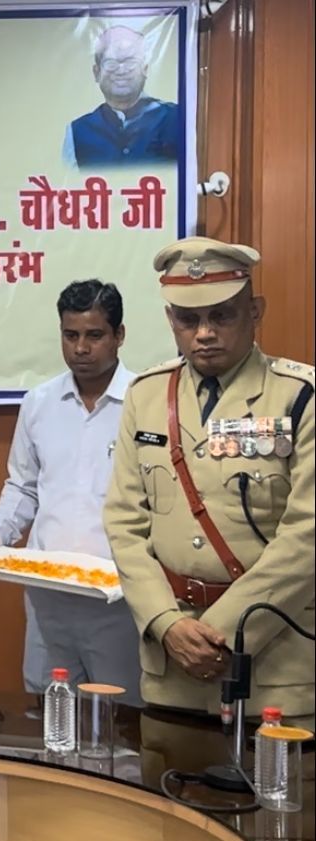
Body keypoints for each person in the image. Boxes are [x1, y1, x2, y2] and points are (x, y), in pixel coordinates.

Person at [104, 236, 314, 718]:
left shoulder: (299, 397)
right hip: (171, 665)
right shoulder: (147, 396)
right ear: (170, 320)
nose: (204, 333)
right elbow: (124, 523)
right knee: (167, 767)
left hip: (274, 667)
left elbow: (307, 536)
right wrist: (165, 623)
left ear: (254, 311)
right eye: (188, 318)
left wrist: (223, 633)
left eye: (222, 315)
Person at [0, 280, 141, 703]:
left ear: (119, 335)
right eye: (71, 335)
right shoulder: (40, 402)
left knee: (120, 713)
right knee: (48, 709)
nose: (81, 348)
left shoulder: (146, 403)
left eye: (94, 335)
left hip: (119, 599)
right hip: (48, 595)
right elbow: (23, 485)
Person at [63, 25, 180, 168]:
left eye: (131, 62)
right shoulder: (77, 131)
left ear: (145, 69)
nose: (121, 71)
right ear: (96, 72)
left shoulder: (177, 118)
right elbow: (67, 179)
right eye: (111, 63)